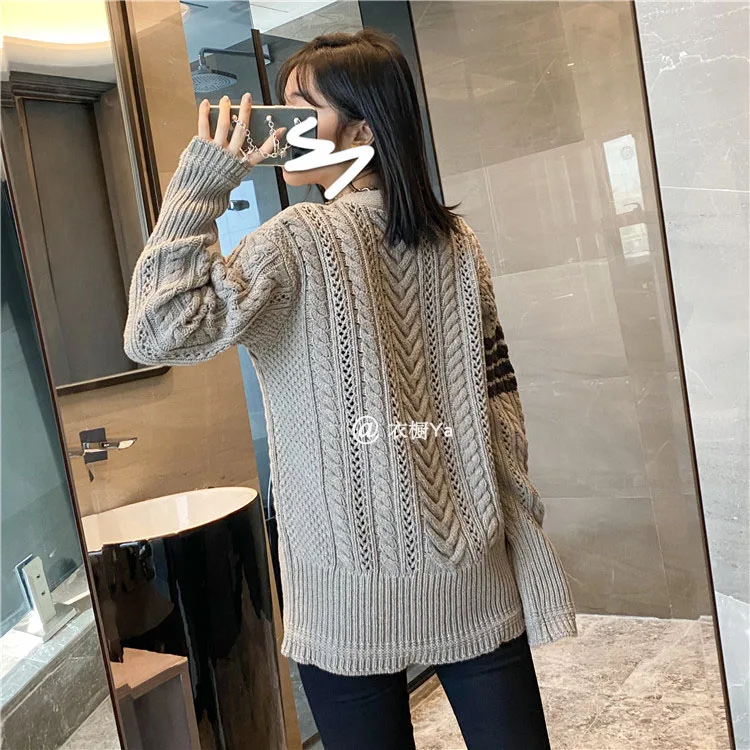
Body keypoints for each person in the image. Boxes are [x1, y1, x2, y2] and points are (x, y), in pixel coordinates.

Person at [124, 28, 577, 750]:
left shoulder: (296, 239)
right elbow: (501, 405)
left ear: (364, 128)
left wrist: (201, 185)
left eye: (301, 110)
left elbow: (155, 330)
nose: (280, 130)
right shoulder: (453, 241)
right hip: (466, 564)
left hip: (349, 595)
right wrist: (511, 522)